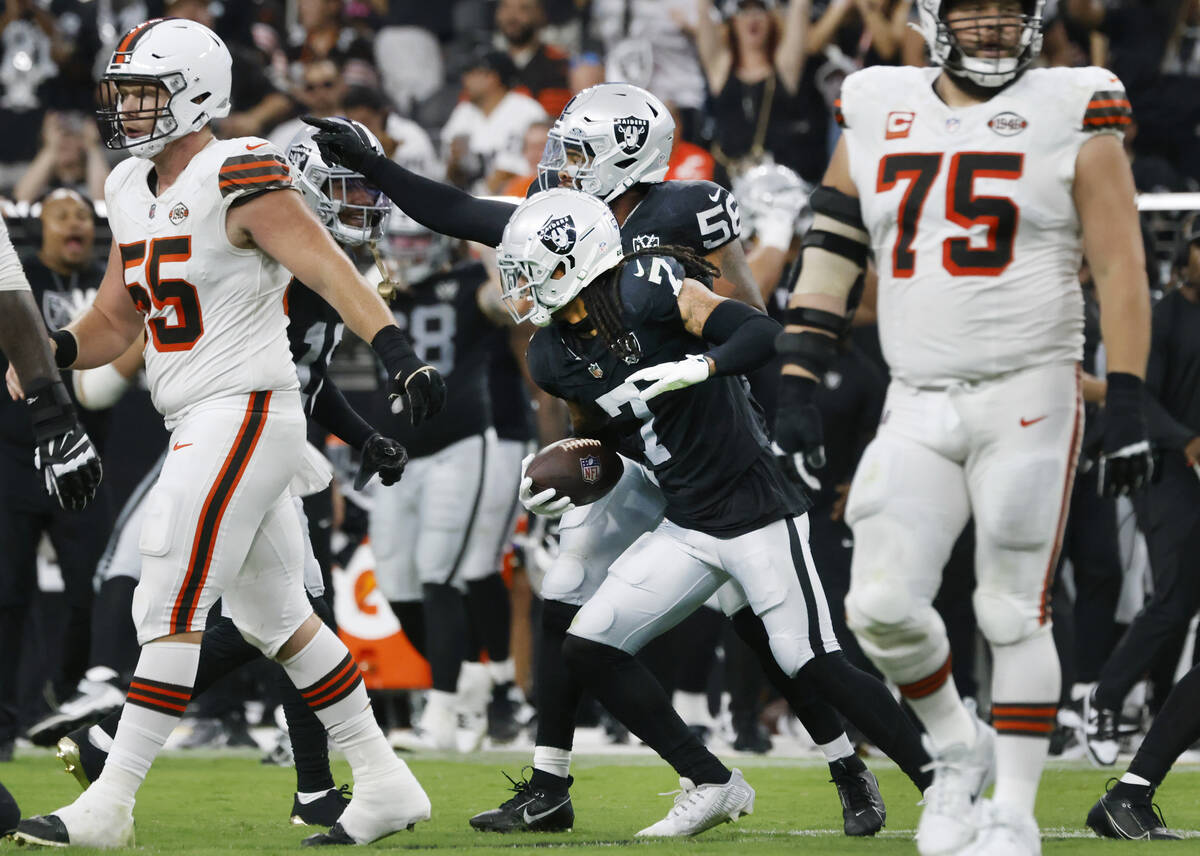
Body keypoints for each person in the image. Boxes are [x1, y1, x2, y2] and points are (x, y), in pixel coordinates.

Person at [305, 82, 933, 837]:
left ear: (627, 153)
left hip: (720, 444)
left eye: (577, 150)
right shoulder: (554, 287)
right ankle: (554, 782)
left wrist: (713, 380)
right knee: (569, 593)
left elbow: (751, 318)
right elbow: (462, 217)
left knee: (773, 636)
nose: (558, 164)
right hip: (645, 463)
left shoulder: (672, 229)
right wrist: (572, 470)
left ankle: (854, 764)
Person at [9, 19, 443, 848]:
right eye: (124, 93)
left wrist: (396, 353)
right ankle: (386, 782)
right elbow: (114, 316)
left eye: (145, 93)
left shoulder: (239, 168)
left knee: (166, 595)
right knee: (281, 618)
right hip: (198, 413)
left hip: (246, 405)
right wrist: (49, 352)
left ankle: (110, 804)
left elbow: (325, 264)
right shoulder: (129, 188)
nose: (129, 110)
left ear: (197, 91)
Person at [776, 0, 1154, 852]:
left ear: (1037, 18)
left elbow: (1120, 257)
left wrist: (1125, 395)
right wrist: (798, 374)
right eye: (971, 7)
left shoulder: (1077, 99)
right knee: (876, 604)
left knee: (1013, 608)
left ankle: (1014, 812)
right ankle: (956, 749)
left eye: (1007, 8)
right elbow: (832, 240)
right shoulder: (877, 98)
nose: (989, 22)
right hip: (915, 390)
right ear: (933, 17)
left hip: (1030, 387)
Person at [366, 212, 518, 752]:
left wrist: (492, 249)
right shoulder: (373, 288)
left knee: (439, 575)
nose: (405, 250)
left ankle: (441, 710)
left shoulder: (470, 283)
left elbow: (506, 306)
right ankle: (466, 680)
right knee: (396, 583)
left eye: (416, 239)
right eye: (397, 240)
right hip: (398, 455)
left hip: (459, 446)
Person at [1082, 215, 1200, 767]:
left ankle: (1170, 709)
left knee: (1186, 601)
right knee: (1174, 598)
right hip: (1168, 466)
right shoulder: (1165, 316)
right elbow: (1140, 398)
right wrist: (1189, 442)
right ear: (1185, 257)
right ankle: (1105, 701)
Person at [0, 190, 110, 760]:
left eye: (86, 217)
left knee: (90, 590)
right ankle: (3, 725)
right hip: (14, 457)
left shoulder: (108, 284)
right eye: (62, 215)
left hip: (84, 454)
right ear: (38, 228)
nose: (76, 224)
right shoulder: (19, 280)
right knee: (7, 594)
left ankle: (72, 706)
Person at [684, 0, 822, 179]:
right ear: (733, 21)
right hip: (729, 182)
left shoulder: (785, 67)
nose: (752, 17)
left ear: (771, 19)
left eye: (760, 9)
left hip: (778, 185)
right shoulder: (720, 68)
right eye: (743, 10)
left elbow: (800, 7)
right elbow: (703, 9)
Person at [440, 47, 547, 190]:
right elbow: (449, 174)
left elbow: (541, 163)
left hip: (520, 195)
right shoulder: (463, 112)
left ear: (492, 77)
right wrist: (455, 165)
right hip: (471, 197)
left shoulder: (527, 110)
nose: (465, 79)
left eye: (472, 73)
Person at [495, 0, 572, 116]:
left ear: (540, 15)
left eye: (523, 8)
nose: (512, 16)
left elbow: (553, 117)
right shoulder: (486, 67)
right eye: (506, 7)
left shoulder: (558, 65)